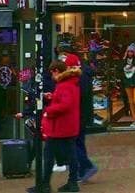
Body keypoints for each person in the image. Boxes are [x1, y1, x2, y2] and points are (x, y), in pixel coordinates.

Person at [29, 60, 82, 193]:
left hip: (60, 127)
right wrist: (53, 97)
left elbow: (65, 104)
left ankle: (45, 184)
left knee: (49, 155)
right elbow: (67, 101)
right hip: (68, 126)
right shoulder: (71, 83)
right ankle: (72, 182)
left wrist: (48, 111)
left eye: (52, 73)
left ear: (56, 71)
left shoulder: (64, 85)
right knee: (71, 154)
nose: (51, 76)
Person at [62, 54, 97, 183]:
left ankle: (86, 166)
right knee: (78, 142)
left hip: (78, 114)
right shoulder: (84, 75)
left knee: (73, 143)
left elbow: (79, 97)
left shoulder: (79, 78)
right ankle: (81, 170)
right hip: (82, 114)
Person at [121, 44, 135, 126]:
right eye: (129, 51)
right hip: (127, 83)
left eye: (132, 51)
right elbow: (120, 69)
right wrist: (124, 57)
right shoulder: (124, 60)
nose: (130, 53)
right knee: (131, 102)